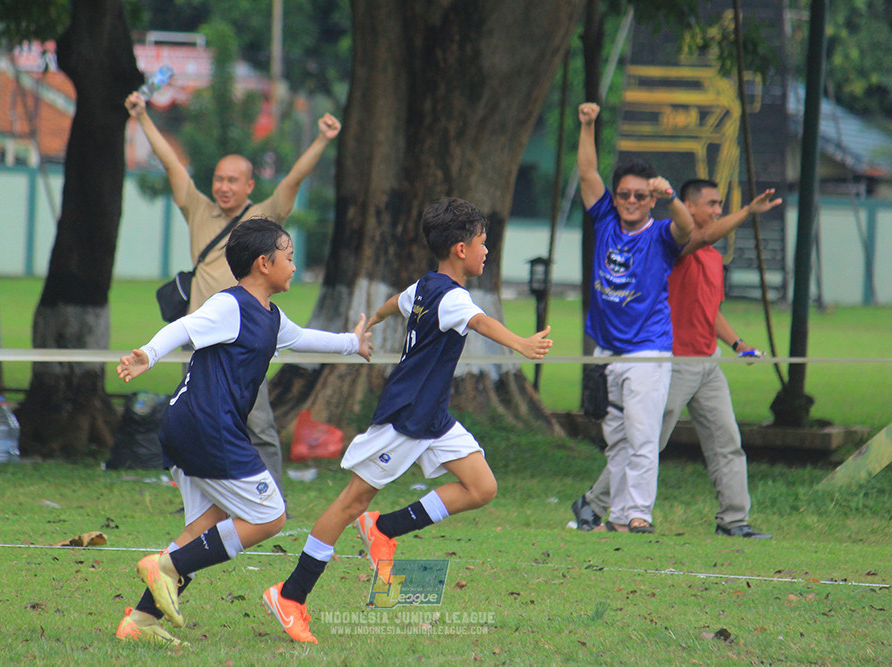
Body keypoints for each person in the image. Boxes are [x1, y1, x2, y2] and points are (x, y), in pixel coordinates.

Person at [261, 198, 553, 644]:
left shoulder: (426, 285)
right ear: (460, 249)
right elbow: (480, 321)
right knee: (348, 504)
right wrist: (521, 344)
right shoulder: (454, 296)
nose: (486, 252)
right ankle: (291, 595)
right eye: (482, 243)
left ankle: (385, 528)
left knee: (482, 487)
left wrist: (372, 321)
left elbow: (397, 302)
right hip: (406, 418)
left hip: (432, 416)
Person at [114, 218, 373, 646]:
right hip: (207, 426)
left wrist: (352, 342)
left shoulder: (269, 316)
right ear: (263, 263)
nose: (294, 264)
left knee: (205, 525)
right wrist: (149, 354)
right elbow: (184, 327)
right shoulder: (229, 305)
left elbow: (303, 338)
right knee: (270, 516)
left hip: (190, 426)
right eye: (288, 257)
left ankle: (139, 621)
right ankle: (166, 566)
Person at [125, 91, 342, 501]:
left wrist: (322, 139)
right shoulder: (198, 209)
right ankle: (201, 496)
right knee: (196, 416)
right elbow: (172, 163)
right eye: (219, 179)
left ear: (250, 185)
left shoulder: (263, 217)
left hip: (243, 342)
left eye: (232, 181)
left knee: (257, 423)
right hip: (200, 339)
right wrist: (142, 117)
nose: (223, 187)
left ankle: (272, 500)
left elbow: (293, 180)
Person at [572, 178, 781, 538]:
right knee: (646, 440)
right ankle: (594, 502)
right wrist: (747, 211)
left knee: (727, 442)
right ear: (689, 207)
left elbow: (709, 310)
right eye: (712, 204)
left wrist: (738, 344)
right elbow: (704, 234)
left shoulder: (713, 258)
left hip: (707, 364)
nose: (717, 210)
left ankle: (733, 521)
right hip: (671, 363)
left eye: (720, 204)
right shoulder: (676, 245)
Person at [577, 102, 694, 534]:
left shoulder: (660, 232)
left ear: (651, 199)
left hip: (648, 349)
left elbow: (687, 230)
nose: (630, 201)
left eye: (639, 196)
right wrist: (587, 126)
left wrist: (671, 198)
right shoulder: (606, 219)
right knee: (617, 440)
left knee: (643, 437)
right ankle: (619, 516)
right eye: (624, 194)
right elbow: (588, 175)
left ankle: (639, 513)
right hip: (606, 350)